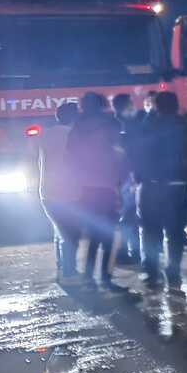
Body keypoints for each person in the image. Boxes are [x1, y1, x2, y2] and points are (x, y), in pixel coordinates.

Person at [131, 91, 187, 286]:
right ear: (176, 105)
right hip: (178, 188)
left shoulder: (147, 128)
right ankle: (173, 272)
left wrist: (139, 180)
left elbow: (135, 157)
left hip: (151, 187)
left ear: (156, 106)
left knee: (150, 232)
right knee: (175, 233)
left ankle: (151, 272)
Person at [67, 92, 124, 284]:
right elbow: (120, 153)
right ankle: (106, 279)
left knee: (91, 234)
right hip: (107, 186)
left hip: (85, 188)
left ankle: (89, 279)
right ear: (102, 104)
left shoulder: (76, 128)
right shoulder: (110, 124)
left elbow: (71, 157)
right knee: (108, 235)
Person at [38, 102, 81, 281]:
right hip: (66, 191)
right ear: (74, 117)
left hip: (46, 191)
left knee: (59, 230)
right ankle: (69, 270)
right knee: (70, 233)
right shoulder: (72, 135)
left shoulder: (45, 135)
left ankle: (62, 264)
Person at [111, 93, 141, 265]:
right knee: (129, 216)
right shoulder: (125, 125)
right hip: (127, 177)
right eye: (130, 104)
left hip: (119, 177)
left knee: (127, 216)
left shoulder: (113, 124)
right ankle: (128, 252)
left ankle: (127, 251)